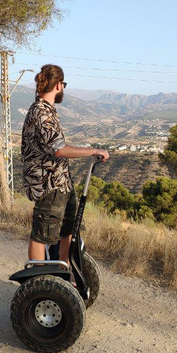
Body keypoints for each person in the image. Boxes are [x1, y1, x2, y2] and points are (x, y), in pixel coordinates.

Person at [21, 64, 109, 264]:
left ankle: (63, 277)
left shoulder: (48, 110)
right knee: (42, 234)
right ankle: (39, 280)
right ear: (59, 85)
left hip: (61, 184)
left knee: (68, 230)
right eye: (64, 84)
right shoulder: (40, 112)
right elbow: (58, 149)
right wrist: (94, 151)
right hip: (47, 185)